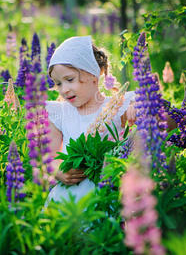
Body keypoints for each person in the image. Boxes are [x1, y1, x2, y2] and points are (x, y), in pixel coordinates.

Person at [45, 36, 136, 205]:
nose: (64, 89)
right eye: (58, 83)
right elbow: (48, 159)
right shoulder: (60, 112)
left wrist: (139, 109)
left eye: (69, 80)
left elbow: (168, 119)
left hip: (107, 197)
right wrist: (58, 171)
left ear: (94, 75)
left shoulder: (119, 106)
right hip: (66, 202)